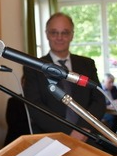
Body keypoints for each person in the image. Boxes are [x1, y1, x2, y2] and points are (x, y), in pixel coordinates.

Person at [23, 12, 106, 141]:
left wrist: (83, 130)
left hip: (87, 137)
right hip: (50, 138)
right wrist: (69, 132)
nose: (59, 37)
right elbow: (35, 106)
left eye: (65, 32)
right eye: (54, 32)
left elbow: (99, 100)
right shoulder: (33, 67)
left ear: (72, 35)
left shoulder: (87, 64)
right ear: (47, 35)